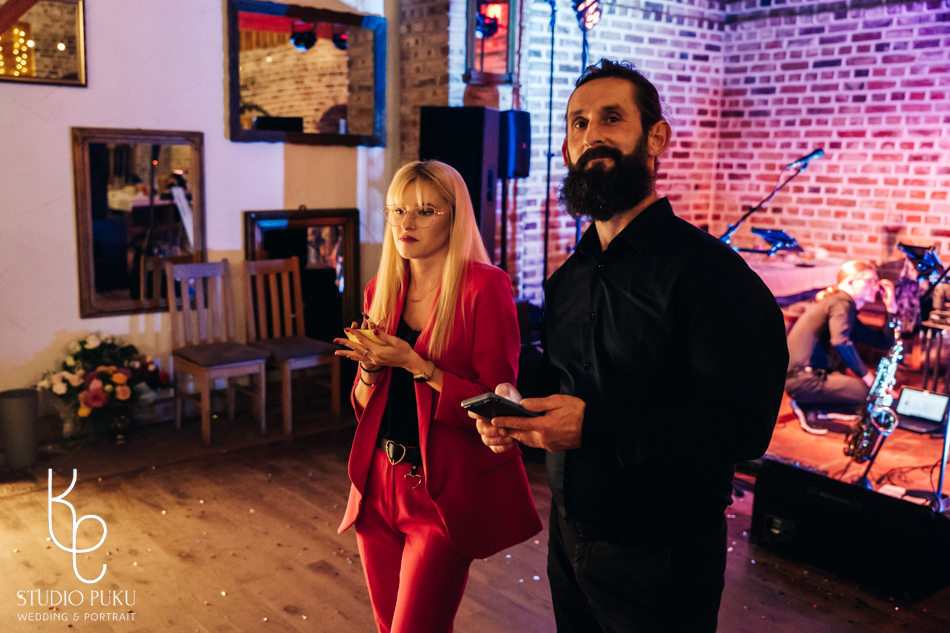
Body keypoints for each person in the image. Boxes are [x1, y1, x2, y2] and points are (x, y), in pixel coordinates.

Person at [472, 59, 788, 633]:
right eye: (578, 123)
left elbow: (743, 425)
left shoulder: (711, 276)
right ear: (566, 150)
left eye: (611, 118)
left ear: (655, 138)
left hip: (663, 558)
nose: (592, 134)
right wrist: (513, 412)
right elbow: (563, 382)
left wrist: (596, 427)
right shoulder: (567, 279)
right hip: (569, 540)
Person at [333, 160, 542, 633]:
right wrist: (370, 369)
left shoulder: (484, 287)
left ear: (454, 218)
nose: (405, 222)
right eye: (397, 209)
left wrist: (417, 365)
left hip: (440, 492)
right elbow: (364, 406)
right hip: (376, 484)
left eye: (425, 211)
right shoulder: (380, 290)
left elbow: (496, 409)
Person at [785, 259, 898, 434]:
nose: (876, 287)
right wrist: (867, 377)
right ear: (851, 282)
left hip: (812, 377)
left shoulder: (845, 308)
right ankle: (809, 404)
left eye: (877, 282)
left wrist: (891, 308)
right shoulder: (841, 303)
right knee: (876, 398)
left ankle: (816, 406)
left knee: (878, 398)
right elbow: (841, 341)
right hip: (804, 379)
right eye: (870, 281)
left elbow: (883, 342)